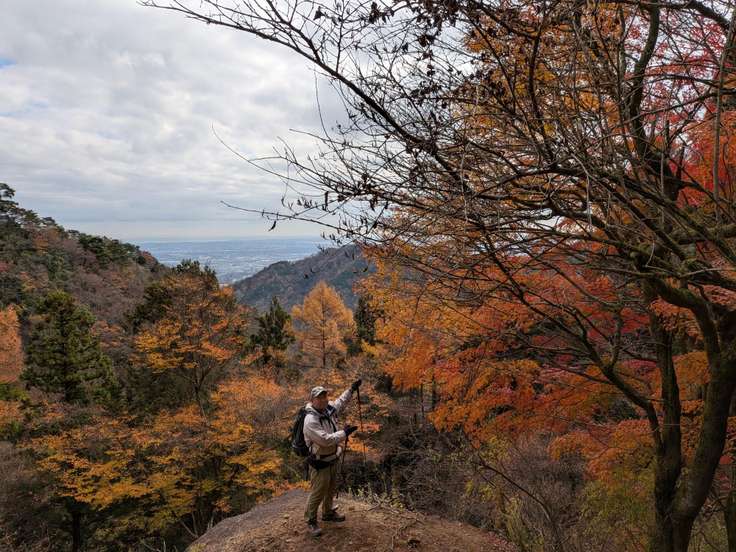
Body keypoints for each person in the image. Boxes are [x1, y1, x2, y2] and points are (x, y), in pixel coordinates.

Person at [303, 378, 362, 537]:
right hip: (319, 461)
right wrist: (344, 433)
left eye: (324, 396)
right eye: (319, 397)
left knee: (330, 488)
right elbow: (325, 440)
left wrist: (351, 389)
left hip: (333, 457)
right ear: (312, 400)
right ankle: (310, 520)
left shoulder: (328, 409)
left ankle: (328, 513)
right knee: (318, 492)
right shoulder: (310, 420)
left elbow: (341, 402)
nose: (323, 399)